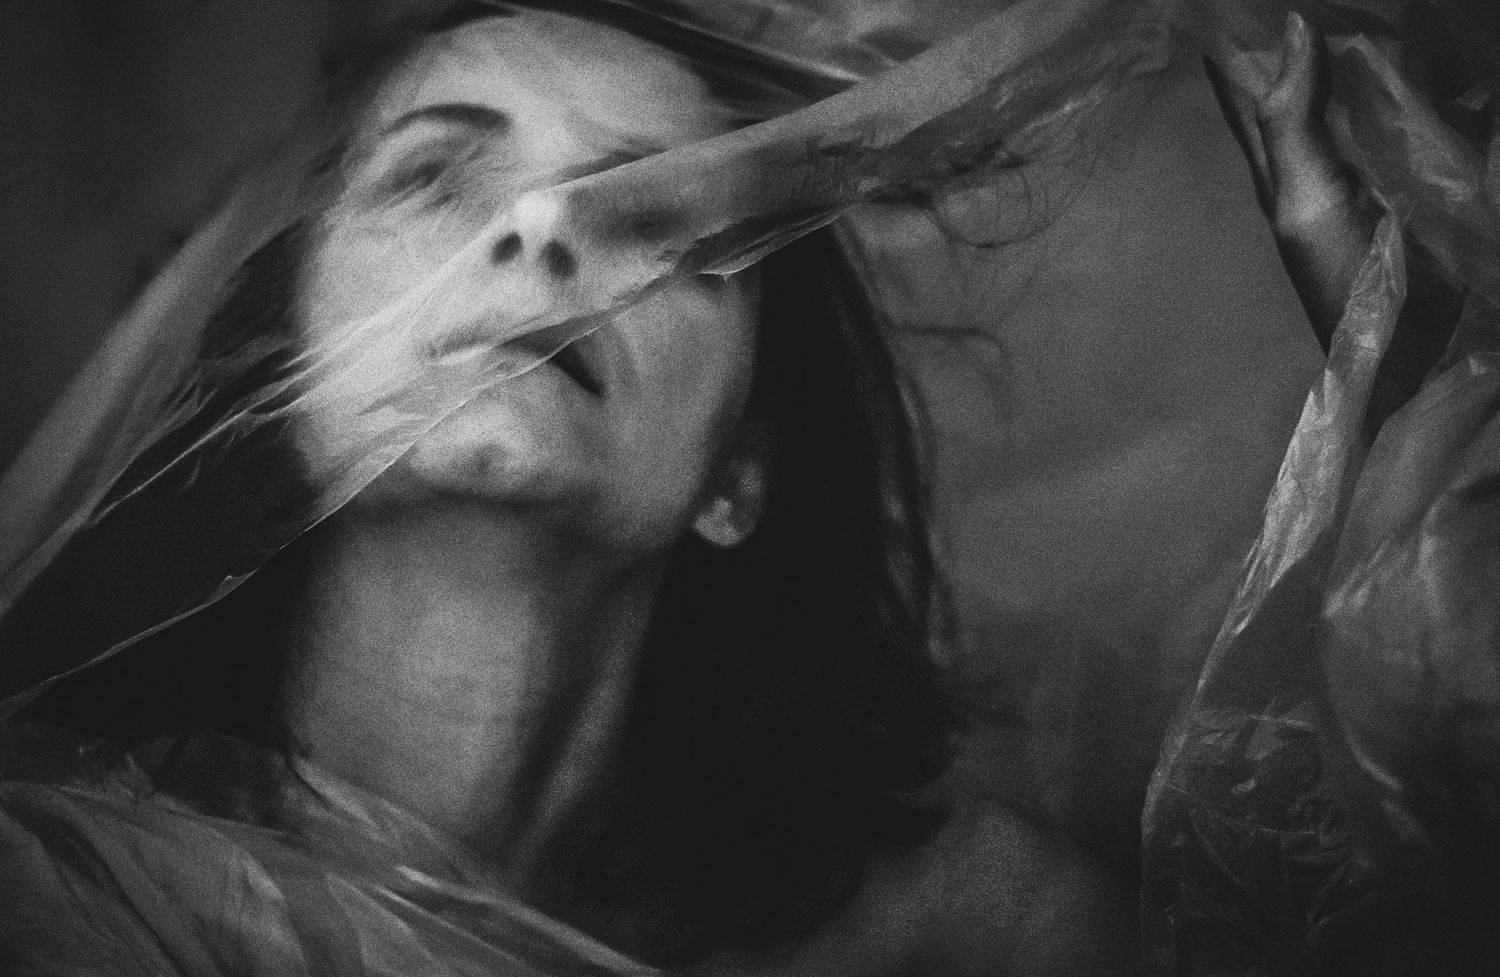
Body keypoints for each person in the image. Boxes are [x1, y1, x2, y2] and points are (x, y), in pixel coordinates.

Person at [0, 8, 957, 973]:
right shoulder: (45, 896)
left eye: (658, 218)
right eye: (432, 177)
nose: (541, 226)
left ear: (738, 472)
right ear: (274, 375)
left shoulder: (948, 942)